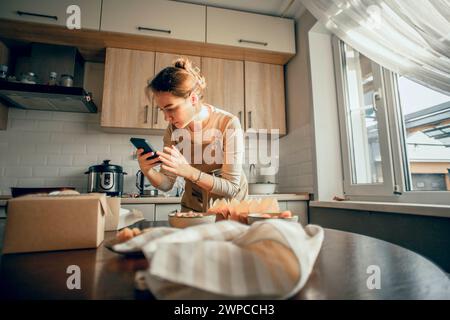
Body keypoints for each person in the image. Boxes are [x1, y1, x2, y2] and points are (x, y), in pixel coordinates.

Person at [136, 58, 248, 212]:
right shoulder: (173, 130)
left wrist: (188, 171)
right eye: (162, 110)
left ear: (193, 99)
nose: (166, 118)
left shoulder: (228, 123)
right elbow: (167, 184)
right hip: (193, 206)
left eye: (171, 108)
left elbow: (232, 187)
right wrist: (147, 170)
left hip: (231, 209)